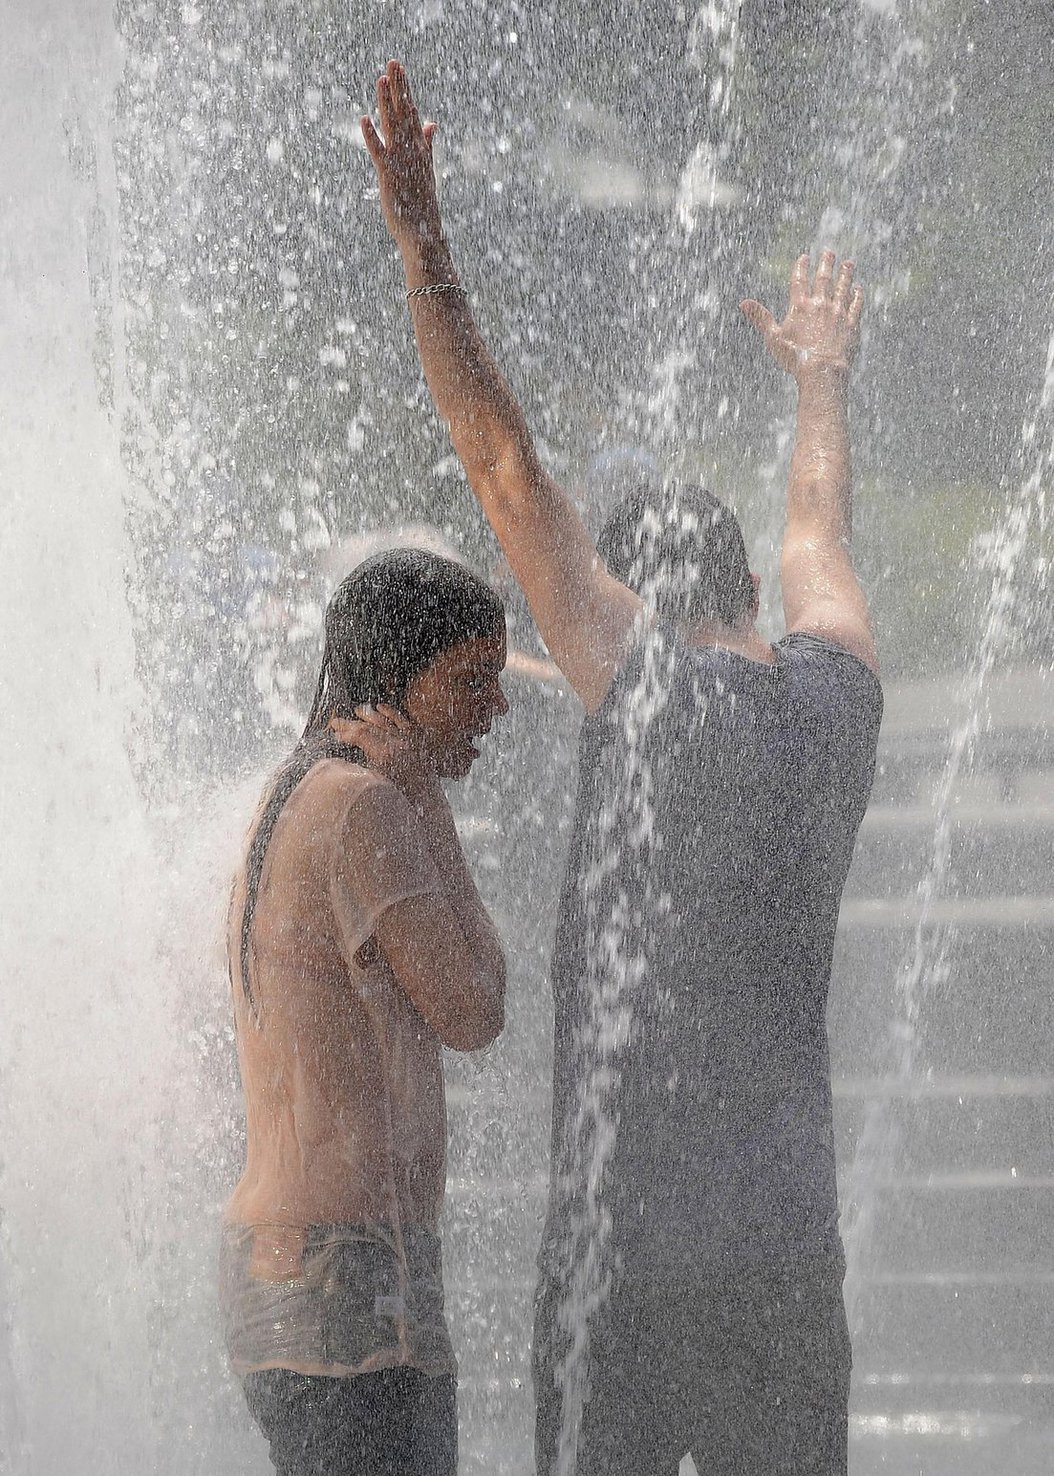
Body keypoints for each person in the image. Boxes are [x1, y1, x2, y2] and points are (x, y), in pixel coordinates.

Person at [362, 60, 882, 1476]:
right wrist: (820, 383)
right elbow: (819, 531)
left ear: (638, 606)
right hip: (787, 1265)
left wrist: (424, 246)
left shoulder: (646, 693)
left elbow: (505, 469)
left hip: (628, 1267)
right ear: (748, 596)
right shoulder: (836, 701)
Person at [221, 546, 510, 1476]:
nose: (497, 706)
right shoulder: (367, 808)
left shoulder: (296, 788)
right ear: (396, 679)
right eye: (469, 680)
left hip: (297, 1275)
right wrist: (429, 807)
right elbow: (475, 1009)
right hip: (350, 1285)